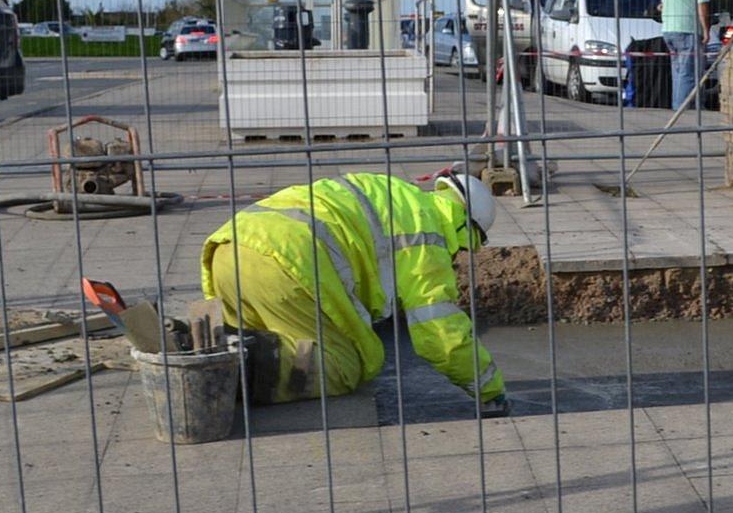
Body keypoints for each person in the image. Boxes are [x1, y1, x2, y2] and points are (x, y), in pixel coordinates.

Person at [199, 166, 509, 414]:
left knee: (279, 340)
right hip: (286, 266)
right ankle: (228, 373)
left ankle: (196, 344)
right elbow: (440, 334)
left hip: (229, 248)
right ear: (464, 227)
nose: (458, 256)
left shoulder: (399, 196)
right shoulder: (427, 236)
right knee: (347, 363)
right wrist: (488, 388)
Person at [660, 0, 712, 110]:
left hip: (669, 28)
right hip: (687, 29)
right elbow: (702, 5)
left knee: (678, 71)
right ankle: (681, 110)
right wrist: (706, 30)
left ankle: (686, 105)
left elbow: (663, 3)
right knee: (688, 74)